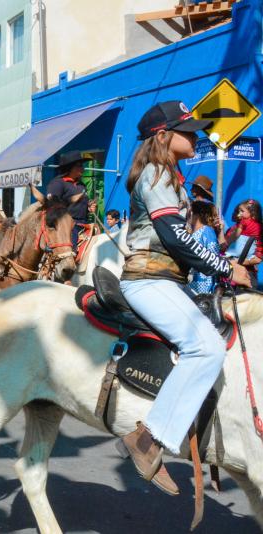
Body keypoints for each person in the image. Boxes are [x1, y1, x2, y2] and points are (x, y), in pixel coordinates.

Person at [118, 100, 250, 496]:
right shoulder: (157, 174)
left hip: (168, 281)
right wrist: (226, 268)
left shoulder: (168, 176)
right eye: (187, 130)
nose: (195, 135)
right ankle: (149, 439)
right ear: (162, 136)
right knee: (206, 348)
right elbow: (178, 237)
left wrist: (222, 262)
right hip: (148, 280)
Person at [46, 150, 97, 255]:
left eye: (82, 165)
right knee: (71, 254)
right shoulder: (57, 183)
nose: (83, 168)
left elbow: (80, 206)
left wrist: (88, 208)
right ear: (70, 167)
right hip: (67, 226)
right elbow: (52, 207)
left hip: (84, 224)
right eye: (79, 166)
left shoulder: (81, 185)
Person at [223, 199, 263, 279]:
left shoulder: (243, 224)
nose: (239, 214)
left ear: (252, 213)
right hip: (235, 269)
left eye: (242, 211)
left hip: (244, 272)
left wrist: (227, 244)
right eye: (238, 211)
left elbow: (235, 235)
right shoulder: (234, 228)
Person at [187, 200, 221, 294]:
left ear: (197, 215)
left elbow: (214, 257)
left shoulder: (207, 231)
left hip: (204, 283)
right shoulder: (192, 233)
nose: (187, 214)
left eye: (190, 212)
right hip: (192, 282)